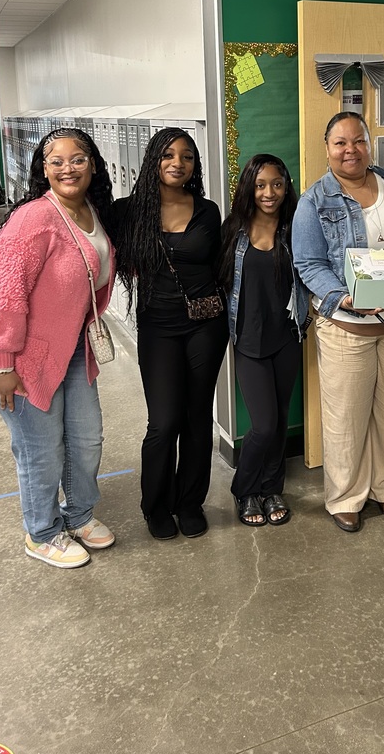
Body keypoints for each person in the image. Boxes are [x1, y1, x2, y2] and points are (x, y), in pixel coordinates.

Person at [0, 129, 116, 569]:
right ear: (44, 169)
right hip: (16, 354)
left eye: (77, 159)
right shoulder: (34, 219)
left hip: (68, 349)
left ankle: (79, 515)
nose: (67, 168)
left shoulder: (91, 211)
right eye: (57, 161)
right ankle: (42, 533)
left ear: (93, 165)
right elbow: (2, 292)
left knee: (86, 439)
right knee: (40, 448)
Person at [292, 111, 384, 533]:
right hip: (347, 328)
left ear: (369, 143)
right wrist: (344, 298)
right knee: (346, 419)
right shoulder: (314, 201)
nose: (351, 150)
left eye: (358, 141)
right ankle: (345, 496)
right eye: (340, 143)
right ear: (327, 148)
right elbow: (308, 264)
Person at [111, 128, 229, 541]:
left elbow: (222, 267)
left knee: (198, 418)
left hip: (205, 326)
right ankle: (156, 505)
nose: (178, 163)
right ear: (153, 160)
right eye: (168, 155)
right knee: (163, 422)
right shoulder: (128, 212)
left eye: (188, 157)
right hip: (158, 327)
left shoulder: (207, 211)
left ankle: (189, 501)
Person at [219, 154, 310, 527]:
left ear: (286, 186)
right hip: (249, 342)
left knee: (281, 418)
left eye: (276, 183)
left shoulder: (295, 229)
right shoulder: (234, 231)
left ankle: (272, 489)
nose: (269, 192)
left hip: (287, 337)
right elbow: (218, 281)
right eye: (260, 185)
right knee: (264, 425)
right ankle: (244, 490)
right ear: (249, 189)